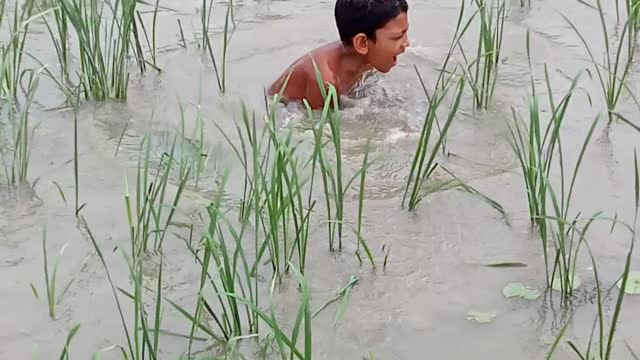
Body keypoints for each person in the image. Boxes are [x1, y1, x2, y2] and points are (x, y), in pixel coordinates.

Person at [267, 0, 410, 109]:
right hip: (280, 107)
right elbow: (321, 132)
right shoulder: (324, 83)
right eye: (397, 37)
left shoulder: (368, 56)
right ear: (362, 43)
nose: (407, 43)